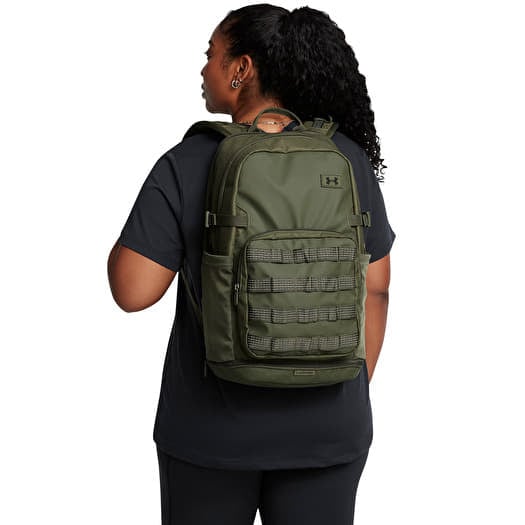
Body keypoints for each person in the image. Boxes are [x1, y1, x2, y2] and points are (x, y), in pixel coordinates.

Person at [107, 4, 395, 524]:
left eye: (211, 54)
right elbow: (376, 288)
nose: (203, 68)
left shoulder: (189, 160)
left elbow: (133, 291)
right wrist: (338, 387)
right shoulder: (348, 158)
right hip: (329, 430)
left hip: (210, 434)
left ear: (241, 68)